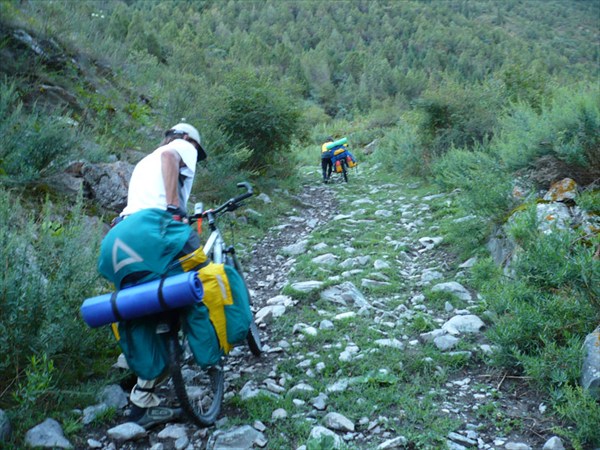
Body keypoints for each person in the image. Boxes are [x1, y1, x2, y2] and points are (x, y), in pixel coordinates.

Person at [98, 122, 208, 428]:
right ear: (187, 139)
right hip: (154, 228)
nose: (195, 157)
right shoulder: (178, 147)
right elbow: (171, 159)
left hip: (119, 237)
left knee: (139, 302)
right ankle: (205, 349)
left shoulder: (142, 163)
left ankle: (130, 365)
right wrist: (175, 206)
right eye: (197, 151)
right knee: (202, 272)